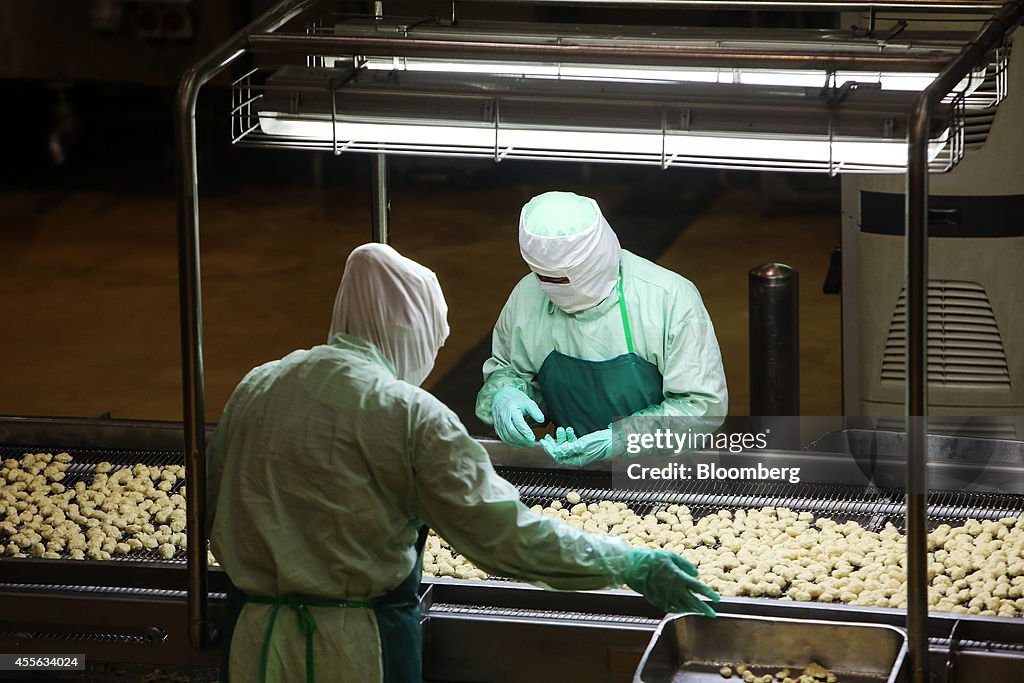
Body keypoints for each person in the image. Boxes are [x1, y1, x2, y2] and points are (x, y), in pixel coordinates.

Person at [206, 243, 719, 683]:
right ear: (410, 330)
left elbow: (214, 502)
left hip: (252, 640)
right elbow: (505, 538)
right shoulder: (406, 413)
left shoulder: (259, 384)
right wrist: (627, 563)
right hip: (350, 650)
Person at [476, 191, 728, 466]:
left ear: (598, 258)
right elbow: (510, 371)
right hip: (575, 465)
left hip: (668, 472)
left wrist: (620, 440)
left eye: (564, 279)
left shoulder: (669, 298)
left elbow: (700, 409)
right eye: (545, 278)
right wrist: (507, 395)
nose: (555, 288)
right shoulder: (527, 297)